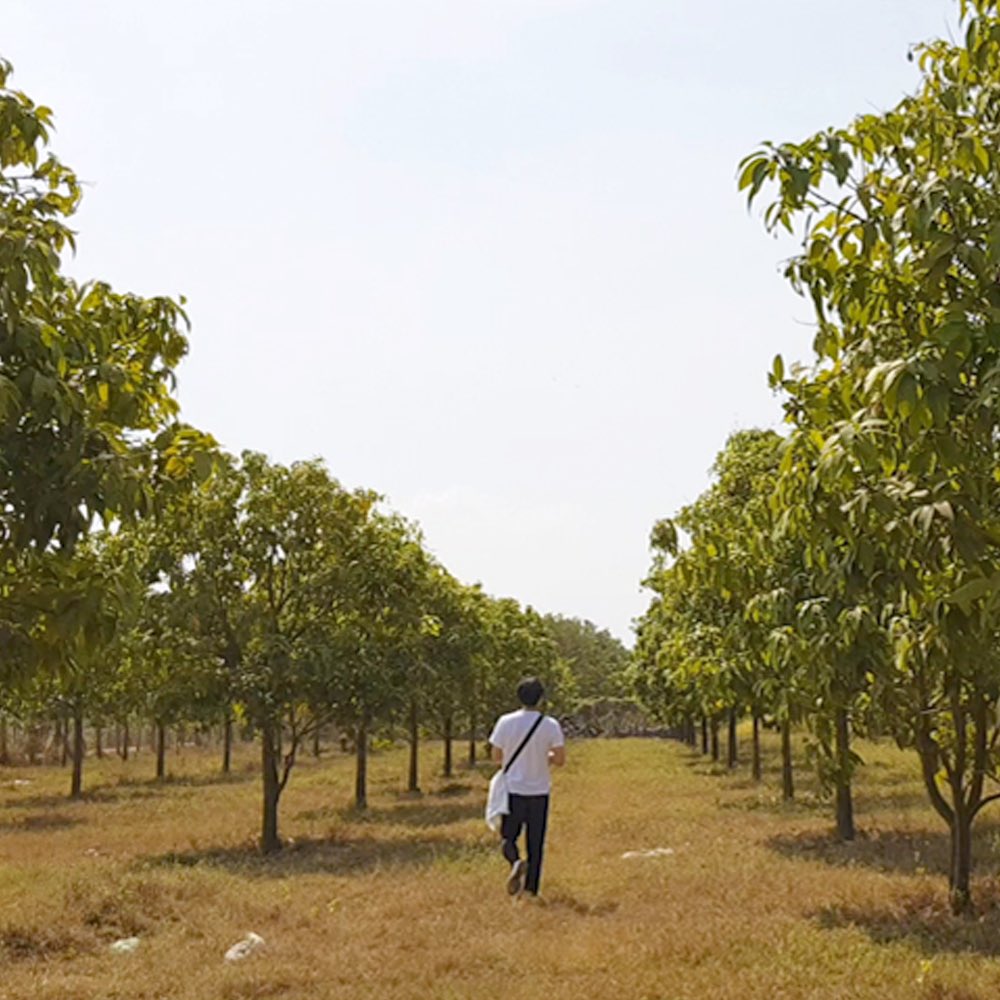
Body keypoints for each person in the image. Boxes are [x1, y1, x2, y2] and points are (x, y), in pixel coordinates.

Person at [489, 676, 566, 899]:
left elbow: (496, 757)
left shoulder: (505, 722)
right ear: (540, 698)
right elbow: (560, 759)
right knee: (536, 843)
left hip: (513, 791)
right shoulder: (550, 725)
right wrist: (546, 756)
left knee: (508, 838)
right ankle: (531, 890)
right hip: (539, 792)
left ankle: (515, 862)